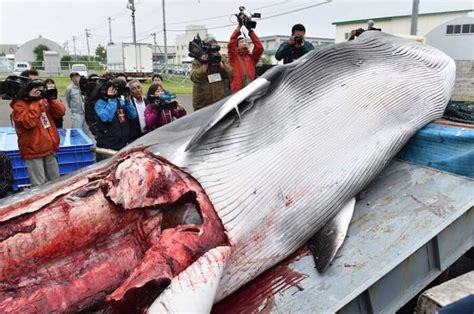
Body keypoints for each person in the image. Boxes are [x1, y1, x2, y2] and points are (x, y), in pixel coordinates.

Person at [10, 78, 66, 186]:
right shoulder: (19, 105)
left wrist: (51, 99)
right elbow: (28, 122)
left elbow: (60, 112)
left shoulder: (43, 101)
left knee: (55, 182)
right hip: (33, 152)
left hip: (50, 148)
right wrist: (37, 103)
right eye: (35, 89)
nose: (39, 91)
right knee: (39, 186)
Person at [94, 78, 138, 151]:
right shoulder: (100, 103)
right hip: (107, 144)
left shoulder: (121, 100)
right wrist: (112, 99)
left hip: (123, 142)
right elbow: (106, 118)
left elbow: (133, 115)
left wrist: (128, 102)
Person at [190, 37, 233, 111]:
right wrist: (205, 65)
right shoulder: (198, 60)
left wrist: (222, 66)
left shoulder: (221, 58)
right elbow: (194, 77)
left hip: (219, 101)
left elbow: (230, 74)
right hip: (203, 103)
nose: (214, 52)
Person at [227, 24, 264, 93]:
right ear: (237, 46)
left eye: (245, 41)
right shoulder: (234, 57)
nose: (244, 43)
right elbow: (231, 44)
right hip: (237, 91)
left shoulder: (251, 57)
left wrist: (250, 31)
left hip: (250, 89)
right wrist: (239, 26)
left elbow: (260, 48)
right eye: (241, 42)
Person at [65, 72, 92, 138]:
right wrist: (73, 108)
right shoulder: (69, 88)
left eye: (77, 77)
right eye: (73, 77)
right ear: (71, 79)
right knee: (77, 131)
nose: (76, 79)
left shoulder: (85, 86)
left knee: (87, 131)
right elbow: (68, 100)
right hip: (77, 113)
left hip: (86, 112)